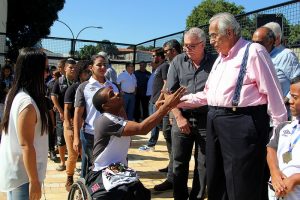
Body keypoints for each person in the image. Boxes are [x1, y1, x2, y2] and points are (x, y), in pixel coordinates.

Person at [178, 12, 287, 200]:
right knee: (216, 179)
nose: (211, 41)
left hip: (242, 123)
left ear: (229, 32)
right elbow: (208, 95)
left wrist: (279, 136)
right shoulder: (220, 58)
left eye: (213, 35)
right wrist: (177, 101)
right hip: (215, 120)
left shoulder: (254, 51)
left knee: (242, 183)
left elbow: (274, 95)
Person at [85, 85, 185, 199]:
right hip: (101, 171)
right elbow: (141, 128)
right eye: (111, 95)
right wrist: (166, 106)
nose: (117, 94)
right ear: (106, 106)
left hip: (118, 169)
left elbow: (138, 125)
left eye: (115, 92)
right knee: (124, 194)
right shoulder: (106, 120)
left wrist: (159, 110)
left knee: (141, 194)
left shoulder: (116, 116)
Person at [166, 28, 216, 199]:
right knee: (179, 163)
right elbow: (168, 94)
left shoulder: (216, 62)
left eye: (192, 46)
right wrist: (178, 117)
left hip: (206, 121)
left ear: (203, 44)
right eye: (186, 45)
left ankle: (198, 197)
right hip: (182, 119)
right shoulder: (178, 61)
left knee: (204, 165)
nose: (187, 49)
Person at [0, 47, 51, 200]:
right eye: (45, 69)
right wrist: (34, 182)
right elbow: (26, 145)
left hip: (19, 172)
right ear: (34, 71)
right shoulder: (27, 104)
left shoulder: (15, 94)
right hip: (24, 177)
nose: (47, 73)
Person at [73, 54, 119, 178]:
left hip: (110, 135)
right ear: (91, 67)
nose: (103, 67)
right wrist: (76, 137)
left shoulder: (113, 86)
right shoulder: (84, 87)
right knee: (91, 168)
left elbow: (120, 111)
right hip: (90, 134)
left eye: (105, 64)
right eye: (99, 64)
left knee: (108, 169)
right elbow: (78, 114)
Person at [153, 39, 183, 192]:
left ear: (173, 50)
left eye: (166, 51)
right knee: (167, 135)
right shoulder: (171, 64)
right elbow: (167, 86)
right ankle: (171, 169)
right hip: (167, 106)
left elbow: (175, 89)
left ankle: (172, 178)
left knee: (174, 141)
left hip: (176, 109)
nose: (164, 54)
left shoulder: (181, 62)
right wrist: (160, 100)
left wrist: (173, 112)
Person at [267, 75, 300, 200]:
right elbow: (271, 149)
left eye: (295, 97)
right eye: (290, 95)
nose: (290, 101)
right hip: (277, 193)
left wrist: (295, 179)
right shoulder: (283, 127)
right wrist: (274, 172)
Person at [263, 22, 300, 120]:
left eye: (266, 38)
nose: (262, 41)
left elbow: (297, 81)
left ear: (277, 38)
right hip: (265, 115)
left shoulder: (286, 55)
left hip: (283, 116)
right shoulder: (262, 55)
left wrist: (286, 100)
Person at [63, 60, 91, 191]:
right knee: (73, 154)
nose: (88, 74)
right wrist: (69, 128)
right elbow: (67, 109)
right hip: (71, 125)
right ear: (80, 73)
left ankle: (86, 180)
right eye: (86, 72)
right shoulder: (73, 88)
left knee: (85, 154)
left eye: (89, 71)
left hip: (86, 126)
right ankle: (69, 177)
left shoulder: (92, 87)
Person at [139, 48, 168, 151]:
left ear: (159, 57)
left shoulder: (164, 66)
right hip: (153, 99)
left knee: (154, 123)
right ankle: (152, 143)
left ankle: (151, 145)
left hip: (157, 100)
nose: (152, 58)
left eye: (153, 56)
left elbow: (166, 83)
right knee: (154, 123)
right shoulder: (158, 68)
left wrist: (159, 99)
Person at [51, 58, 77, 171]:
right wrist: (61, 111)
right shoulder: (59, 81)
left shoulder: (78, 82)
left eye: (74, 68)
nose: (73, 69)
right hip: (61, 115)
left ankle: (73, 162)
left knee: (74, 138)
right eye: (71, 67)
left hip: (74, 116)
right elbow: (53, 97)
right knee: (61, 139)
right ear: (65, 68)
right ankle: (62, 162)